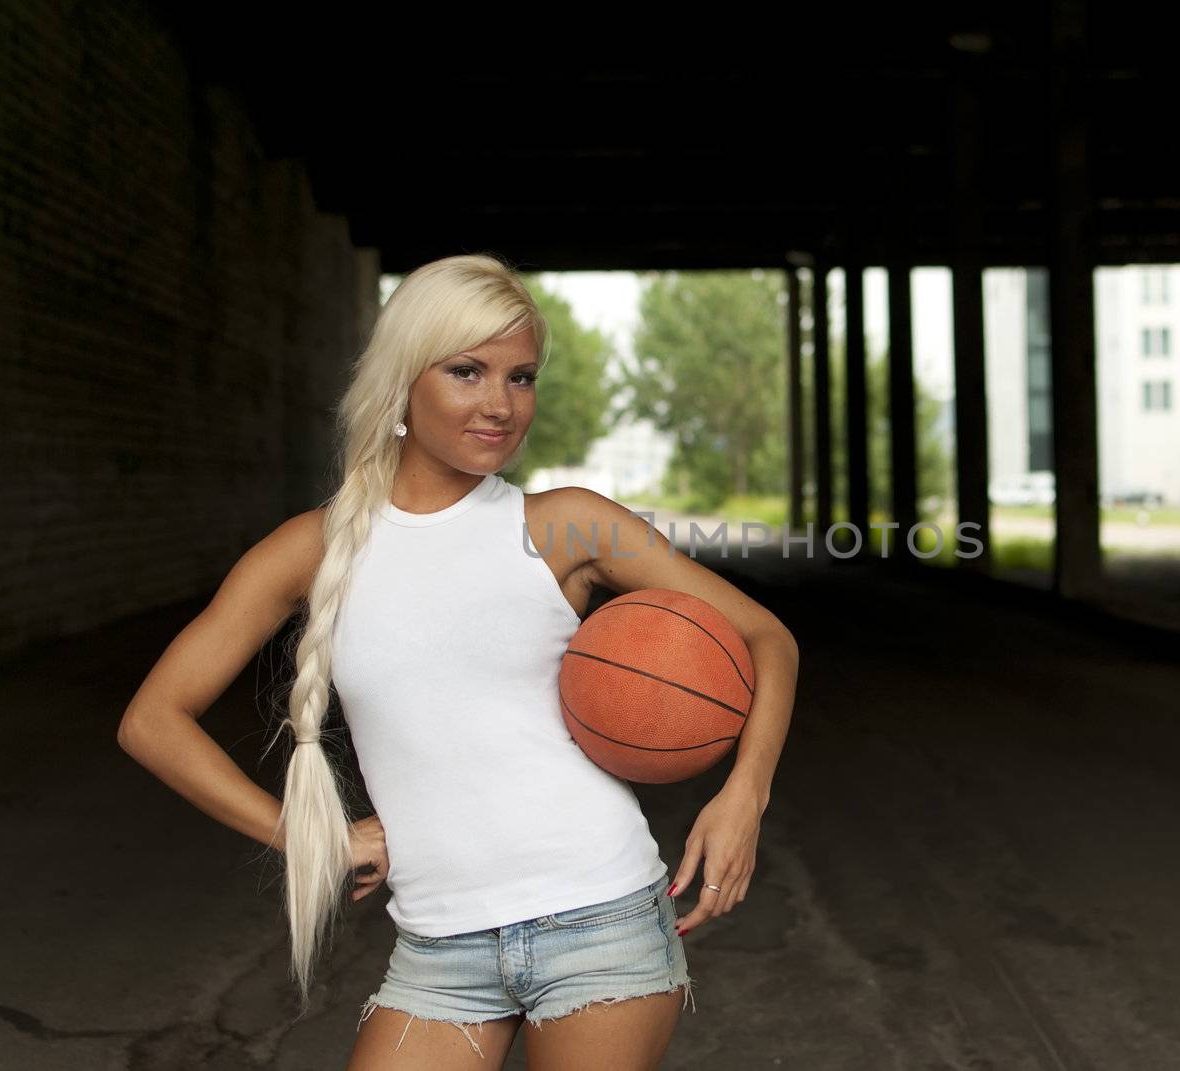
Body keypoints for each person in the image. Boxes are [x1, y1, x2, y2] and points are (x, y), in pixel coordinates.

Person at [116, 254, 800, 1070]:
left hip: (600, 921)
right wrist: (313, 837)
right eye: (467, 371)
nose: (501, 404)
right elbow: (152, 720)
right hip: (440, 947)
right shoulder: (309, 549)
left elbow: (768, 638)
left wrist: (743, 796)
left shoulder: (567, 525)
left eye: (522, 377)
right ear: (405, 381)